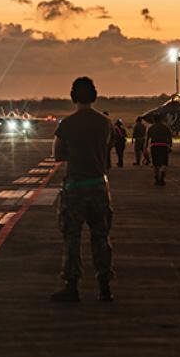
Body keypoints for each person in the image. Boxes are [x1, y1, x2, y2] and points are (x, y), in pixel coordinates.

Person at [51, 77, 115, 303]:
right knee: (101, 236)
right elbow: (107, 146)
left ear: (73, 97)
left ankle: (71, 285)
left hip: (75, 186)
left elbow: (58, 154)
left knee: (72, 237)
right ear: (94, 96)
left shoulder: (66, 125)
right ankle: (104, 285)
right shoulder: (105, 123)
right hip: (98, 185)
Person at [146, 113, 172, 186]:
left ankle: (157, 179)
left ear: (154, 119)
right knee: (164, 163)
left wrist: (145, 148)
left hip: (154, 146)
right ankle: (162, 178)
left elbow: (147, 139)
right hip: (164, 146)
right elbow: (170, 138)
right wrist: (170, 146)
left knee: (155, 164)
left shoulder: (151, 128)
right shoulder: (166, 127)